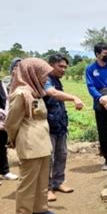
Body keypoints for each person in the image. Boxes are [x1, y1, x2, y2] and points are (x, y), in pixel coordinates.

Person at [5, 58, 57, 214]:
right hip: (29, 143)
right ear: (32, 73)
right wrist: (11, 139)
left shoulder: (35, 91)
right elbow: (12, 122)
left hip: (42, 142)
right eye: (43, 75)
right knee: (27, 183)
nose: (46, 79)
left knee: (42, 179)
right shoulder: (21, 94)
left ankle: (39, 209)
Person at [43, 54, 84, 201]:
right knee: (49, 158)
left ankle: (58, 182)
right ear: (51, 65)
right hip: (48, 125)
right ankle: (46, 188)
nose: (64, 69)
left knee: (61, 155)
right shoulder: (45, 79)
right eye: (61, 66)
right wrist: (74, 97)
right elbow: (51, 93)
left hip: (60, 124)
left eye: (66, 67)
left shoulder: (57, 81)